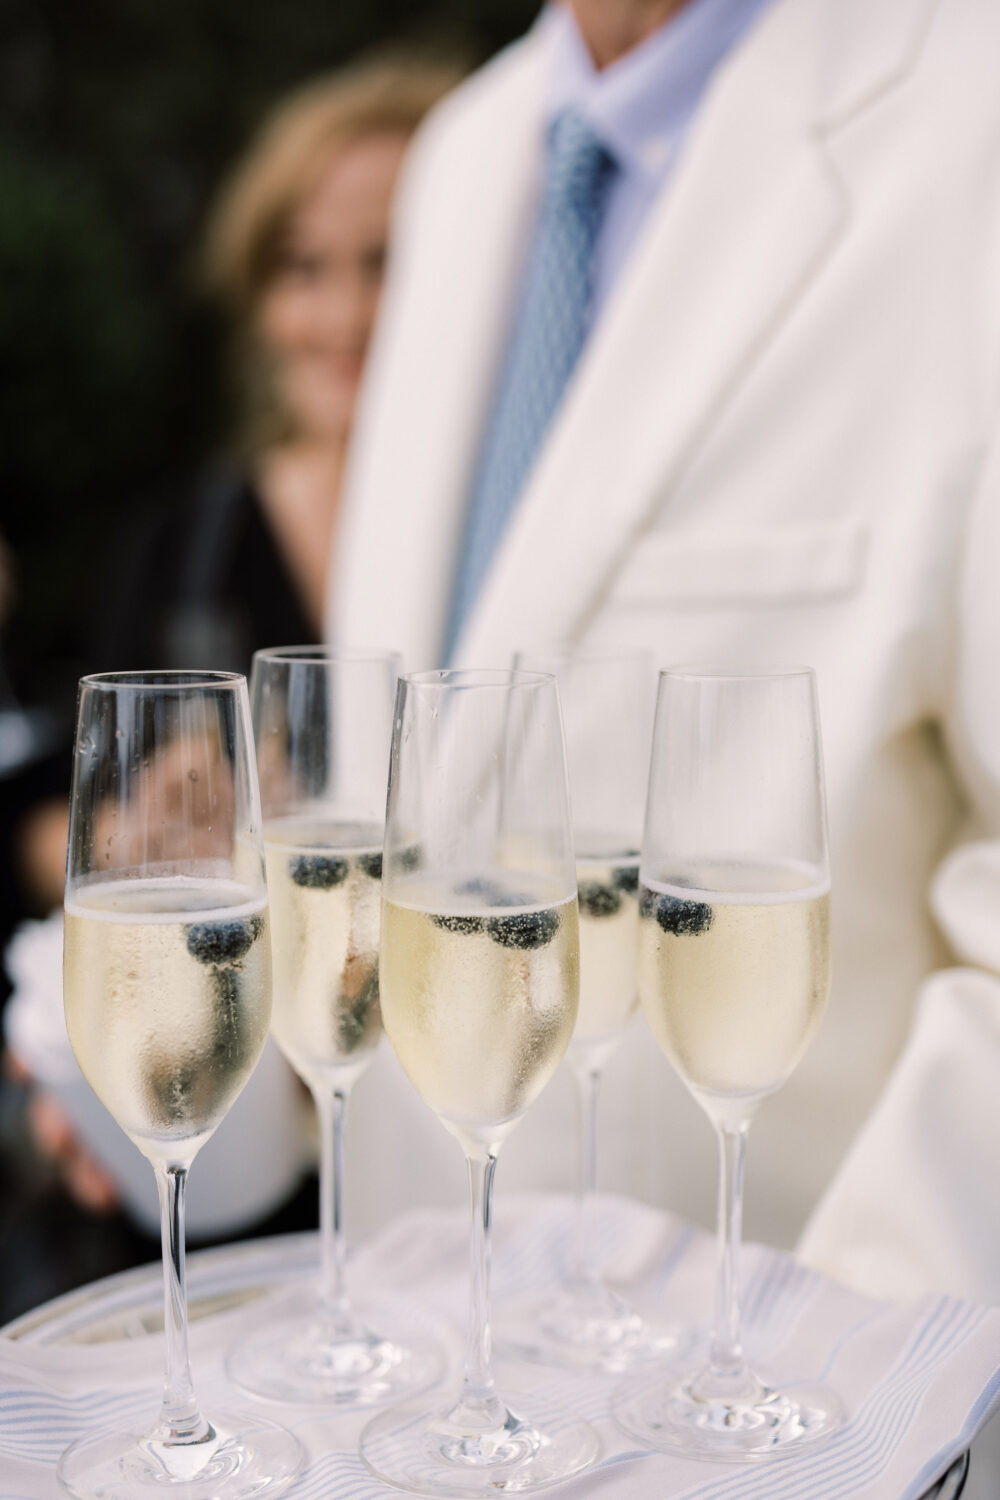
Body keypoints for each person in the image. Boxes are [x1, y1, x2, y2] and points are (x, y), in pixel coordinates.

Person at [329, 0, 1000, 1310]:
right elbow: (429, 799)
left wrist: (861, 1384)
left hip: (799, 1411)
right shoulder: (466, 155)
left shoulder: (974, 112)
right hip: (417, 1385)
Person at [0, 54, 460, 1310]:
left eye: (389, 260)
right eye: (302, 266)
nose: (343, 312)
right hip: (230, 1195)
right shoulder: (187, 544)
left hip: (455, 1169)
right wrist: (128, 843)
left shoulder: (509, 548)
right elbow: (40, 811)